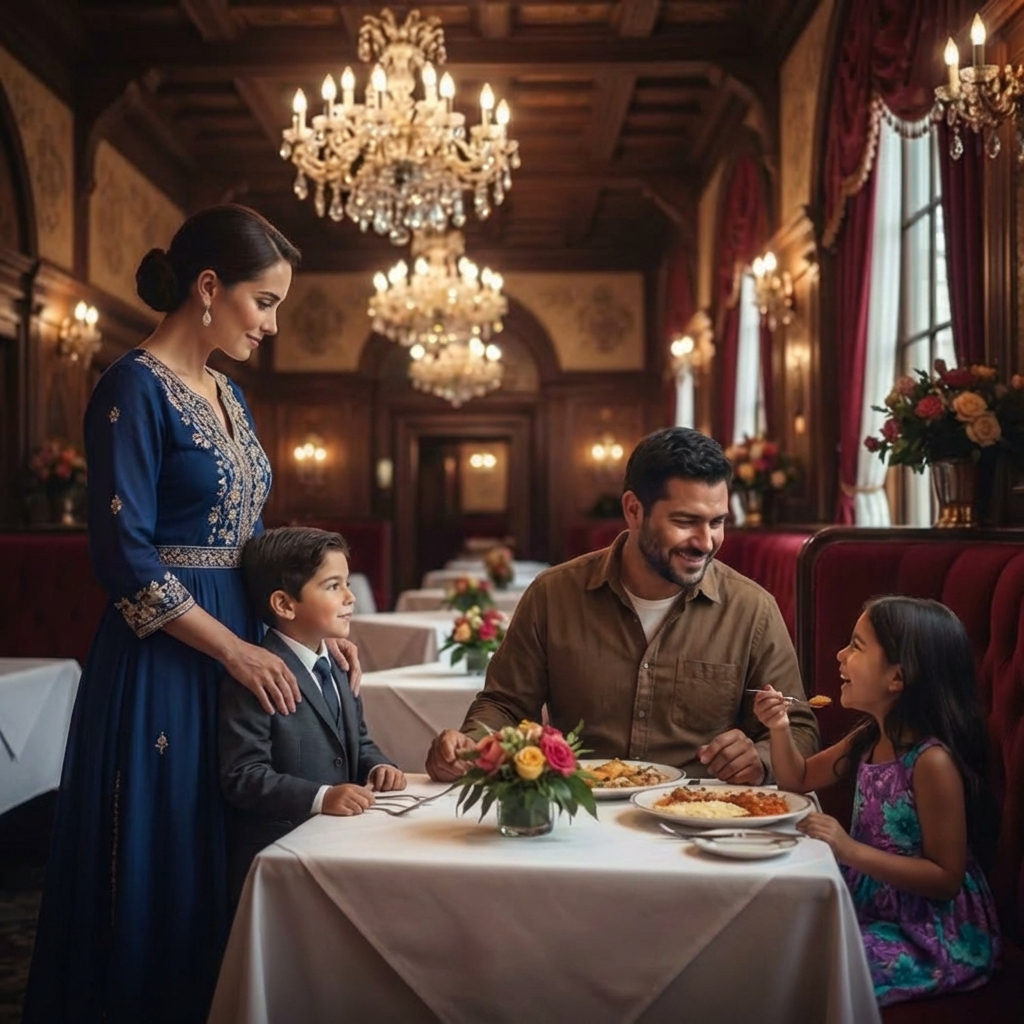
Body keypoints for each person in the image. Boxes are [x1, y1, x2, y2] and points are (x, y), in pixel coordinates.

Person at [24, 205, 358, 1024]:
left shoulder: (232, 397)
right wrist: (235, 654)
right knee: (165, 841)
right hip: (164, 652)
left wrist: (309, 638)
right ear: (209, 288)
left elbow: (251, 544)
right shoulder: (128, 388)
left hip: (240, 632)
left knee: (233, 835)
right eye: (265, 302)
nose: (272, 324)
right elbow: (124, 559)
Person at [426, 427, 819, 784]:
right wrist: (471, 745)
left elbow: (800, 726)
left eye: (717, 522)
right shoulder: (553, 595)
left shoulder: (752, 609)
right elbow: (505, 703)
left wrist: (761, 757)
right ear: (633, 510)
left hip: (703, 818)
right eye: (685, 521)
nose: (705, 541)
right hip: (578, 812)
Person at [754, 596, 1001, 1006]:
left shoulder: (931, 762)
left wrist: (848, 849)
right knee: (775, 935)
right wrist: (778, 727)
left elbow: (945, 878)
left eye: (856, 646)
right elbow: (795, 779)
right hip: (873, 904)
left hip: (929, 931)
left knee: (811, 963)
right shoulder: (867, 738)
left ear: (898, 678)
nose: (840, 654)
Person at [220, 527, 404, 903]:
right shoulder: (258, 676)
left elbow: (359, 741)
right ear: (285, 605)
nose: (351, 597)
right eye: (333, 586)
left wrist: (377, 767)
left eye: (347, 583)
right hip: (285, 854)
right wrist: (322, 797)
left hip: (340, 844)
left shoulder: (338, 664)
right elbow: (243, 775)